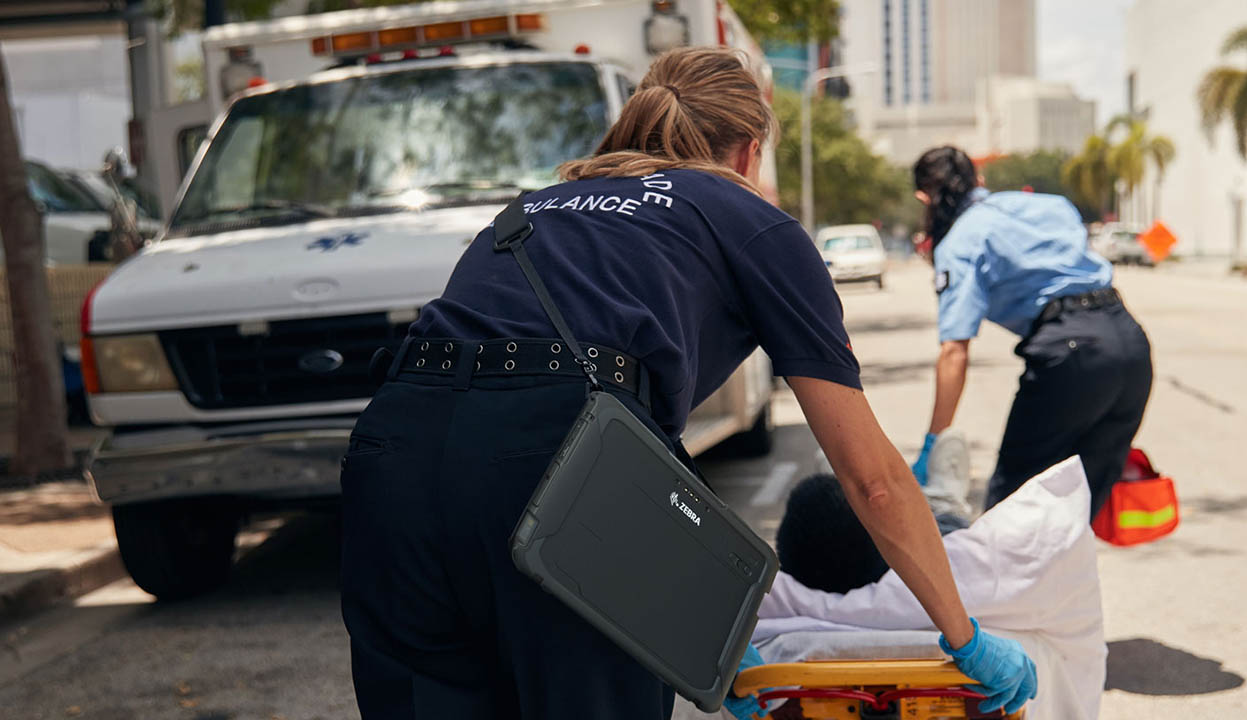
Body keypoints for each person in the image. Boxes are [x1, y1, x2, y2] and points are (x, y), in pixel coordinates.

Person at [339, 49, 1035, 720]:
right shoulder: (750, 220)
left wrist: (708, 633)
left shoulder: (531, 210)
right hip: (546, 469)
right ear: (748, 150)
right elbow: (872, 480)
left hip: (392, 458)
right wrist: (962, 634)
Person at [756, 457, 1105, 719]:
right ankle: (941, 502)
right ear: (890, 562)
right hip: (913, 561)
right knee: (944, 528)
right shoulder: (985, 613)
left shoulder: (760, 645)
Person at [908, 146, 1153, 517]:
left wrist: (934, 441)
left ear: (924, 197)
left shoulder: (962, 241)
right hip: (1130, 343)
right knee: (1078, 512)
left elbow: (954, 350)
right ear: (979, 181)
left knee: (1011, 512)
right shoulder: (1052, 205)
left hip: (1073, 353)